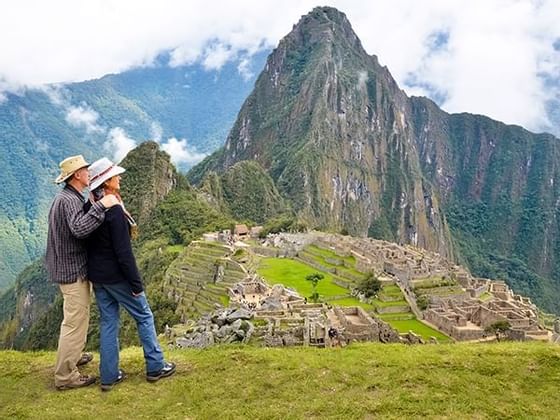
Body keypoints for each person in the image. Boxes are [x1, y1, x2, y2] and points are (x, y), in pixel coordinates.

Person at [85, 157, 176, 391]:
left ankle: (109, 375)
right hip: (117, 277)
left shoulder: (90, 207)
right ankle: (155, 366)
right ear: (106, 183)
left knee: (108, 323)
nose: (120, 177)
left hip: (98, 277)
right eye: (115, 175)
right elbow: (124, 253)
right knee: (144, 315)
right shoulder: (114, 211)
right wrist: (136, 284)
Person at [46, 155, 119, 391]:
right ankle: (66, 376)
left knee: (78, 318)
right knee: (74, 322)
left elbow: (76, 222)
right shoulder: (68, 200)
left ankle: (73, 356)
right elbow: (79, 229)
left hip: (68, 267)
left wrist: (89, 205)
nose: (89, 173)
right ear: (77, 175)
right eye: (86, 170)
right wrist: (100, 205)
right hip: (71, 270)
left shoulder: (70, 197)